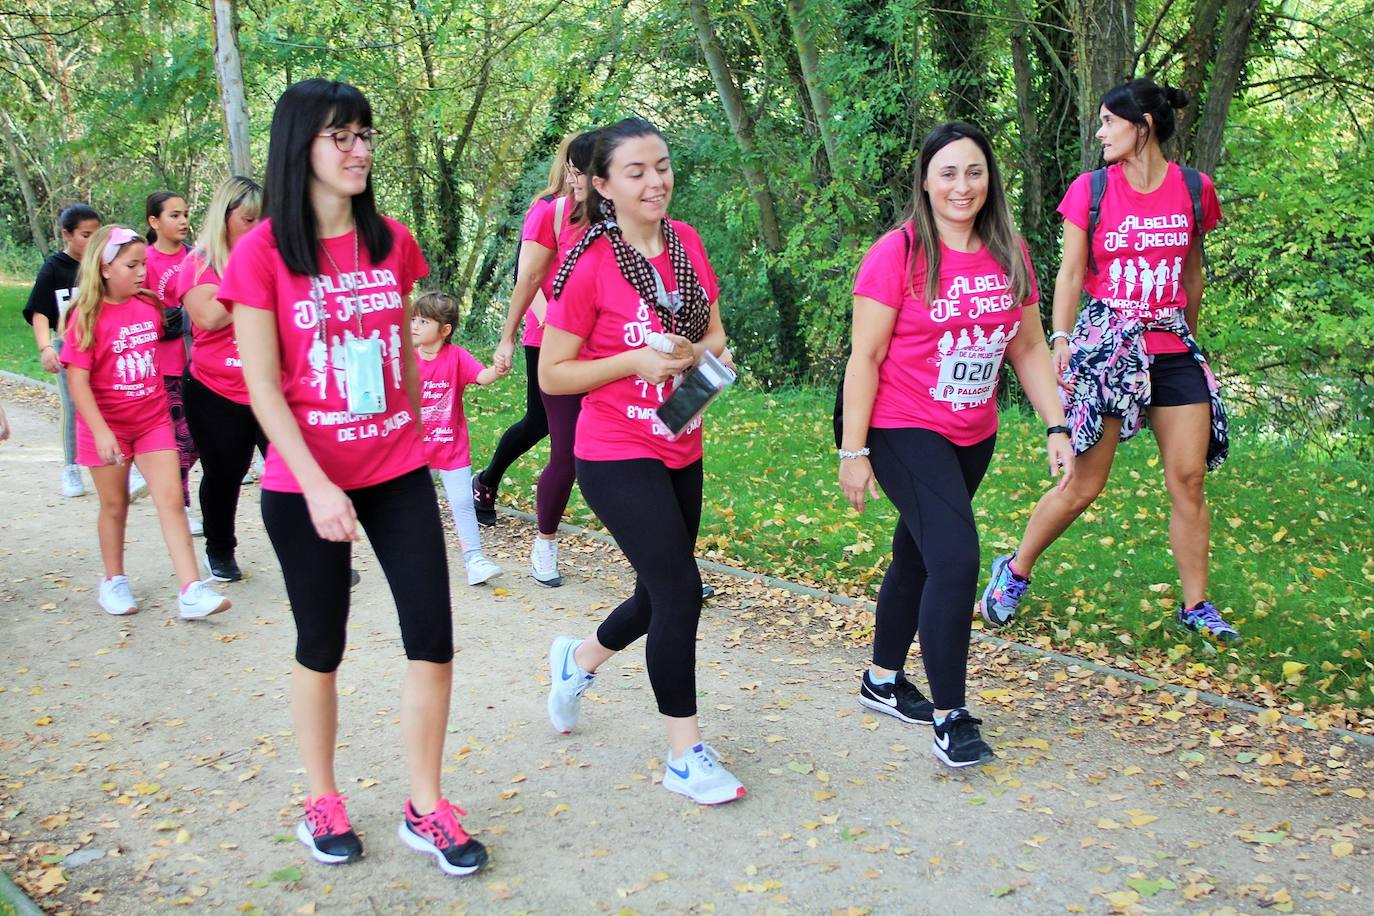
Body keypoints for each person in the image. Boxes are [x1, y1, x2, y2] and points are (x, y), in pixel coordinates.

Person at [222, 78, 487, 876]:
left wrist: (419, 427)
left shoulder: (391, 242)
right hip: (306, 482)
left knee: (432, 639)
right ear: (299, 146)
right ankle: (322, 798)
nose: (360, 149)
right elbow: (262, 385)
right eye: (341, 135)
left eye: (365, 134)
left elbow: (403, 349)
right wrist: (315, 483)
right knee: (321, 644)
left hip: (396, 467)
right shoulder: (260, 251)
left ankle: (426, 805)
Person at [839, 122, 1074, 768]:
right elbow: (866, 357)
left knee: (917, 555)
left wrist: (1057, 424)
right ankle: (951, 717)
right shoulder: (898, 253)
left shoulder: (1009, 250)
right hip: (900, 427)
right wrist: (853, 452)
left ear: (990, 178)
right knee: (956, 557)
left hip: (972, 433)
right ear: (925, 180)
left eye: (974, 171)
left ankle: (882, 681)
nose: (962, 185)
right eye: (948, 172)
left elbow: (1026, 348)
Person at [980, 79, 1232, 641]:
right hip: (1106, 347)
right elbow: (1069, 273)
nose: (1101, 132)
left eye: (1109, 122)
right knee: (1084, 485)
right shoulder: (1091, 190)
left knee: (1188, 479)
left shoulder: (1194, 189)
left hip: (1169, 346)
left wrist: (1188, 339)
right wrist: (1062, 338)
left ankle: (1197, 607)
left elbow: (1192, 274)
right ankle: (1014, 571)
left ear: (1142, 125)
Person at [540, 118, 743, 805]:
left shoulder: (686, 244)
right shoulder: (588, 263)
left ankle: (579, 660)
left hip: (679, 438)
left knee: (660, 592)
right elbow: (555, 376)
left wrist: (699, 361)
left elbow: (713, 331)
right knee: (682, 591)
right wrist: (632, 360)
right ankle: (684, 754)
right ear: (601, 185)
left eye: (661, 166)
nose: (654, 181)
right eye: (635, 171)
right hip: (612, 450)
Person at [59, 225, 231, 620]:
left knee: (171, 500)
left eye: (143, 264)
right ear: (103, 268)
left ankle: (191, 590)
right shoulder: (85, 316)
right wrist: (101, 431)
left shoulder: (148, 304)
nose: (141, 271)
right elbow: (77, 381)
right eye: (131, 264)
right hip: (108, 427)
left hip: (152, 420)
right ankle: (113, 580)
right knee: (115, 505)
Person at [473, 129, 596, 587]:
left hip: (598, 350)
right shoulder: (547, 210)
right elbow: (531, 281)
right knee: (547, 432)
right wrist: (548, 328)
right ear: (569, 165)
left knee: (575, 437)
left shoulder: (611, 215)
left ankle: (658, 558)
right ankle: (499, 493)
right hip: (547, 340)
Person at [178, 176, 266, 582]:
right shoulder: (198, 263)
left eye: (260, 219)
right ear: (225, 216)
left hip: (270, 386)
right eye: (247, 219)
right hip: (216, 390)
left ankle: (317, 553)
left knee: (296, 471)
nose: (255, 226)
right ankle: (220, 549)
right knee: (225, 473)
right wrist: (258, 286)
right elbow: (209, 316)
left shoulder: (270, 257)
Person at [411, 291, 509, 586]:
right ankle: (416, 557)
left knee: (464, 502)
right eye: (413, 318)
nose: (414, 325)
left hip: (452, 447)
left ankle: (474, 560)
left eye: (424, 320)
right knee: (416, 506)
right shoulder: (404, 358)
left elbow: (481, 376)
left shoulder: (456, 357)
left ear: (444, 330)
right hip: (414, 451)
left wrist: (499, 370)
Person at [22, 204, 102, 497]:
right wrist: (45, 347)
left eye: (96, 235)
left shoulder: (104, 264)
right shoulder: (54, 267)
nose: (91, 241)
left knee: (111, 401)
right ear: (67, 234)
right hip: (68, 346)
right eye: (85, 235)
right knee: (74, 404)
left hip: (103, 345)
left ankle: (122, 462)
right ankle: (71, 468)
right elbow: (40, 312)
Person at [145, 190, 201, 532]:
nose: (182, 221)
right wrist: (168, 317)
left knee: (201, 439)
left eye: (184, 214)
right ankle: (181, 505)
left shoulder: (197, 257)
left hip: (201, 362)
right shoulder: (145, 261)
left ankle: (156, 472)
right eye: (173, 215)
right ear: (154, 222)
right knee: (181, 439)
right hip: (165, 365)